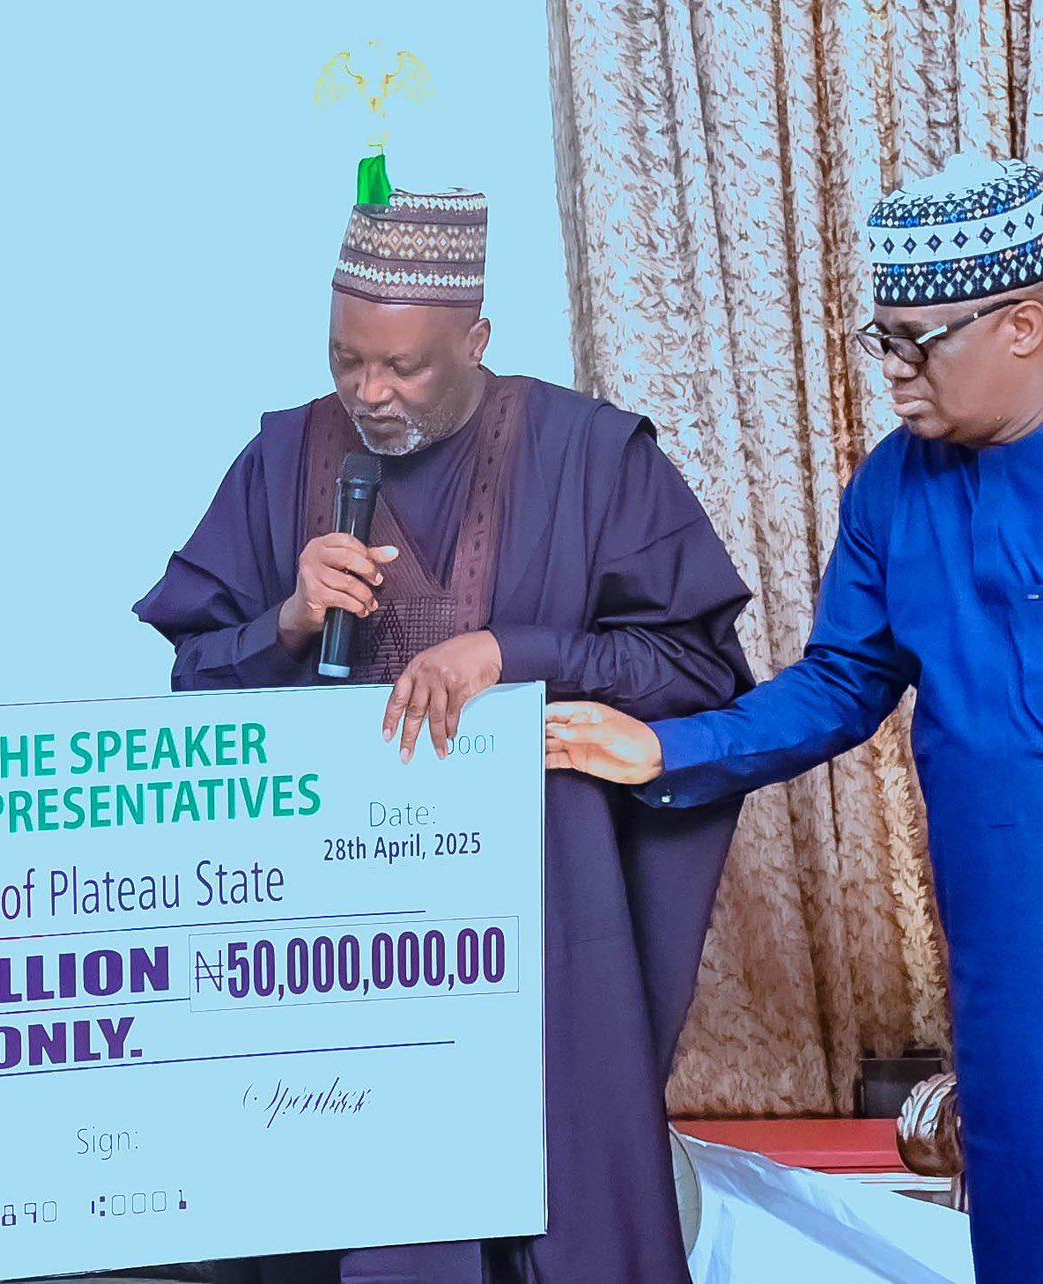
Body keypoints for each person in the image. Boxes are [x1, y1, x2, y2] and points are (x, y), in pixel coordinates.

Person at [132, 163, 754, 1282]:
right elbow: (193, 685)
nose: (369, 393)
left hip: (536, 918)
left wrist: (519, 654)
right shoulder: (282, 458)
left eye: (404, 366)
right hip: (333, 931)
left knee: (545, 1206)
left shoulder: (591, 457)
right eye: (346, 360)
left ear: (475, 340)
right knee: (349, 1209)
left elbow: (697, 671)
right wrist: (285, 622)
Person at [545, 152, 1043, 1284]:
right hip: (1006, 921)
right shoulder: (892, 487)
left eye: (917, 342)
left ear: (1020, 326)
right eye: (882, 341)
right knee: (1021, 1176)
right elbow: (840, 682)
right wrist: (665, 747)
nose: (895, 373)